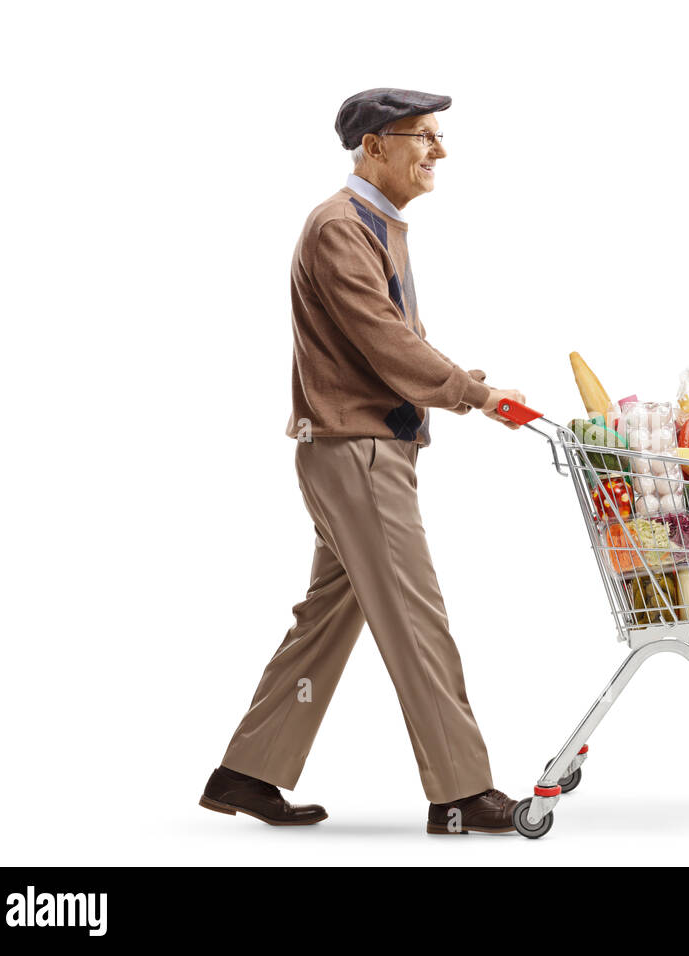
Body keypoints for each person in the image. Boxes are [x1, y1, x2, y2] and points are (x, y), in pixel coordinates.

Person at [200, 88, 525, 834]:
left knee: (327, 619)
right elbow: (386, 343)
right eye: (424, 137)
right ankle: (460, 792)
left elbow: (391, 344)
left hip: (362, 450)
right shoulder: (341, 228)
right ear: (374, 146)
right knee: (415, 618)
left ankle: (246, 772)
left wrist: (462, 384)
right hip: (359, 457)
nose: (438, 151)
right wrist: (475, 395)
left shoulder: (378, 226)